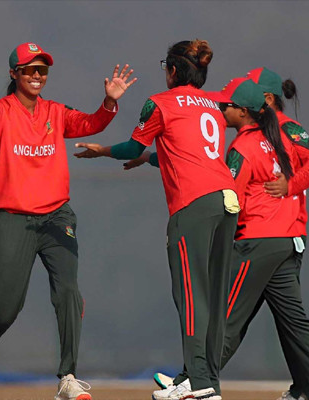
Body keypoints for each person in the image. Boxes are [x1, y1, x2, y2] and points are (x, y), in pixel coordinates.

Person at [153, 72, 309, 400]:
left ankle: (195, 381)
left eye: (227, 105)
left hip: (258, 240)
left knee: (225, 317)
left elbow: (232, 196)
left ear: (260, 103)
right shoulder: (272, 138)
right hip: (287, 239)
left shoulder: (262, 139)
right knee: (293, 321)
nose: (221, 109)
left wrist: (288, 186)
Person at [0, 42, 136, 400]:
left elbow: (91, 123)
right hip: (13, 218)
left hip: (56, 217)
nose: (37, 75)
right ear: (14, 74)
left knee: (68, 293)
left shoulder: (56, 111)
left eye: (43, 69)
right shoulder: (0, 111)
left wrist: (109, 102)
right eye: (30, 69)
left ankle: (68, 376)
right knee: (5, 309)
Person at [74, 39, 239, 400]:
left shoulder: (160, 102)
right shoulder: (212, 105)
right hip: (226, 200)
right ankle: (206, 382)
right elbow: (188, 151)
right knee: (213, 297)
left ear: (173, 70)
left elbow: (133, 146)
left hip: (193, 205)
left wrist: (103, 150)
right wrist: (150, 159)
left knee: (191, 296)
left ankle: (198, 384)